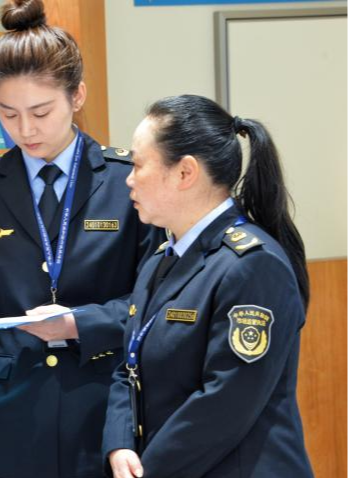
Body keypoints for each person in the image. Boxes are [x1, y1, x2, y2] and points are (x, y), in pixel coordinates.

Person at [0, 1, 158, 477]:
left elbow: (152, 303)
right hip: (3, 417)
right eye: (8, 114)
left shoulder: (126, 181)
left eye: (41, 111)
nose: (25, 130)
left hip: (100, 412)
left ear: (77, 96)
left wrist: (79, 323)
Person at [104, 94, 313, 478]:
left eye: (138, 165)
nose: (129, 179)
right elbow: (129, 362)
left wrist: (150, 470)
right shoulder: (163, 257)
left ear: (185, 173)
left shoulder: (252, 264)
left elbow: (226, 403)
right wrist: (119, 445)